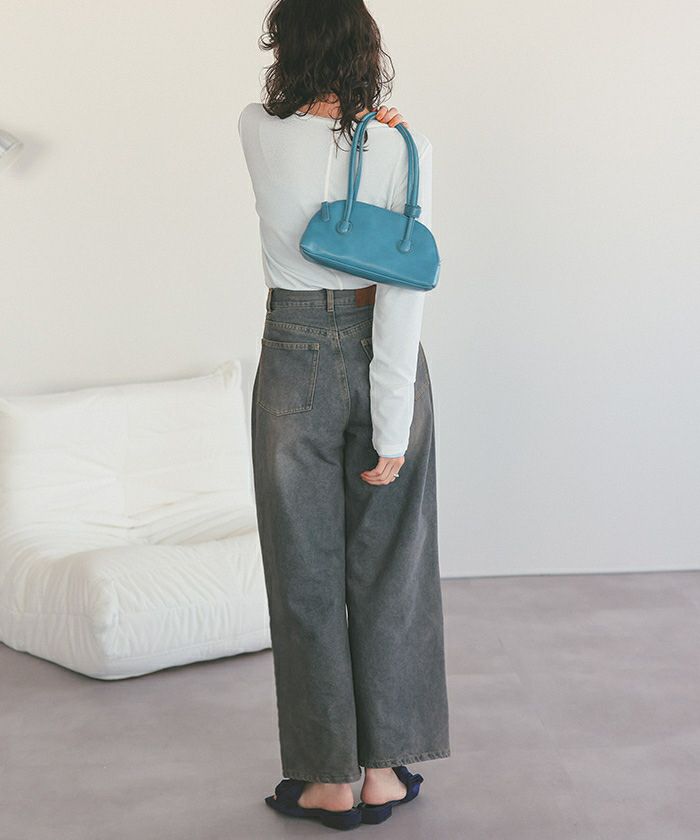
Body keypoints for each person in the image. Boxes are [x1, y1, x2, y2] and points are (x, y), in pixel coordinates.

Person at [238, 0, 450, 829]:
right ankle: (382, 772)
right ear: (367, 48)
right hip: (382, 357)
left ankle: (328, 779)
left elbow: (291, 122)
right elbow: (403, 292)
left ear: (285, 47)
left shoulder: (256, 129)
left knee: (304, 572)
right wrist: (391, 424)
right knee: (391, 567)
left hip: (293, 352)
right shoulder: (400, 146)